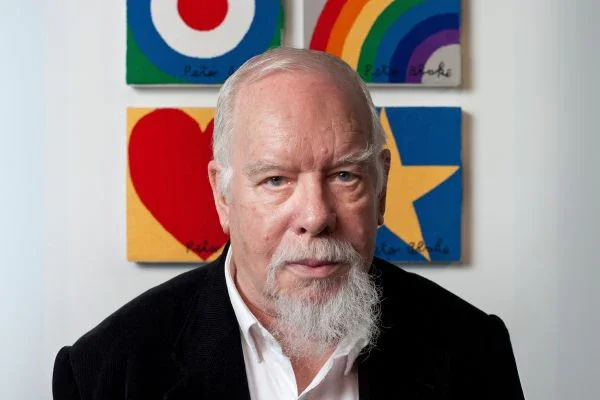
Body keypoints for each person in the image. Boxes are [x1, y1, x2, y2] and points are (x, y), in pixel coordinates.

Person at [53, 48, 525, 400]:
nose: (316, 216)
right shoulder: (104, 371)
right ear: (223, 195)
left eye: (345, 175)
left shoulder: (473, 348)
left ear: (381, 189)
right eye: (276, 180)